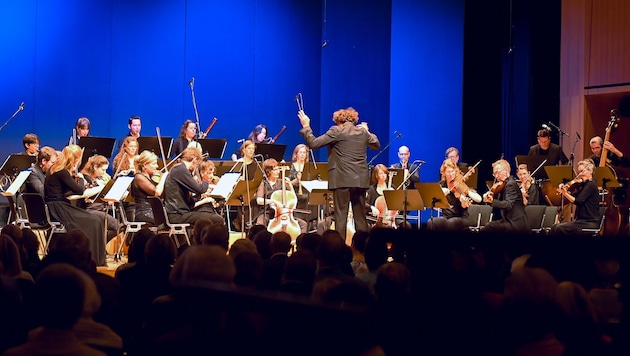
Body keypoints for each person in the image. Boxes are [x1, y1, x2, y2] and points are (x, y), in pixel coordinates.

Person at [298, 107, 380, 238]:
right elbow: (376, 144)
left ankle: (340, 252)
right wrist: (367, 130)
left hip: (341, 180)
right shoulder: (362, 132)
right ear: (354, 120)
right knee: (360, 218)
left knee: (341, 217)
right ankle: (362, 249)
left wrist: (306, 126)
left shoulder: (336, 130)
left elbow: (313, 143)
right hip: (360, 181)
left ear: (338, 120)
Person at [44, 145, 106, 266]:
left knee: (93, 219)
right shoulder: (62, 172)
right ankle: (93, 259)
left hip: (54, 206)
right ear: (76, 159)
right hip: (59, 208)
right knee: (94, 220)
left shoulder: (53, 169)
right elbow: (79, 190)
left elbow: (66, 190)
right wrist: (81, 179)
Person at [163, 147, 224, 226]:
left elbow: (188, 200)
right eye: (197, 165)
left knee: (208, 217)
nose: (196, 168)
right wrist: (206, 181)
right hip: (177, 215)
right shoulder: (181, 170)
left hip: (178, 212)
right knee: (218, 219)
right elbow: (200, 189)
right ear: (194, 160)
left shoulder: (178, 169)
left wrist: (199, 197)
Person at [254, 158, 307, 236]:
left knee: (303, 224)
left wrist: (290, 186)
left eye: (278, 169)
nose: (278, 171)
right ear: (269, 172)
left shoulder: (281, 182)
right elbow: (259, 200)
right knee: (260, 224)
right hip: (268, 212)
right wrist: (273, 201)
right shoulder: (263, 183)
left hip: (283, 213)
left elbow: (293, 199)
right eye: (275, 170)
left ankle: (300, 244)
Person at [428, 159, 482, 231]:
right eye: (448, 172)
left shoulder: (461, 185)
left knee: (450, 223)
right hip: (446, 217)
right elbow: (435, 207)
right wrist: (440, 196)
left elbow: (466, 205)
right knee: (431, 222)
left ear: (456, 171)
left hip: (461, 218)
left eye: (452, 171)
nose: (451, 174)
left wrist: (464, 201)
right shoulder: (441, 184)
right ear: (444, 173)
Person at [549, 159, 601, 234]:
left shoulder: (591, 184)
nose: (579, 174)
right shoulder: (584, 185)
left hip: (589, 222)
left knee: (559, 228)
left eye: (582, 171)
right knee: (554, 227)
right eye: (579, 172)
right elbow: (573, 195)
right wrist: (565, 191)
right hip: (581, 221)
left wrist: (565, 193)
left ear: (590, 171)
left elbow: (578, 201)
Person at [481, 159, 529, 234]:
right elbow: (499, 203)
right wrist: (490, 197)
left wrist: (492, 201)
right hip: (509, 221)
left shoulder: (510, 184)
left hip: (515, 224)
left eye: (498, 172)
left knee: (488, 227)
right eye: (494, 174)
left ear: (506, 171)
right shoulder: (505, 184)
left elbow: (508, 205)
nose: (496, 176)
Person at [79, 155, 119, 241]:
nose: (104, 173)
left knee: (119, 224)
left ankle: (99, 245)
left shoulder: (100, 179)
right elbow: (83, 194)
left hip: (102, 208)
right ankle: (98, 245)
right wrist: (102, 187)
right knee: (118, 226)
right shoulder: (84, 178)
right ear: (95, 167)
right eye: (102, 170)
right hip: (88, 210)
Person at [131, 151, 169, 225]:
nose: (157, 166)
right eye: (154, 164)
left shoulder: (151, 178)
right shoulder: (139, 177)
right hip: (144, 212)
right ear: (145, 165)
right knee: (167, 222)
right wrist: (164, 177)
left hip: (154, 211)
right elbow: (157, 192)